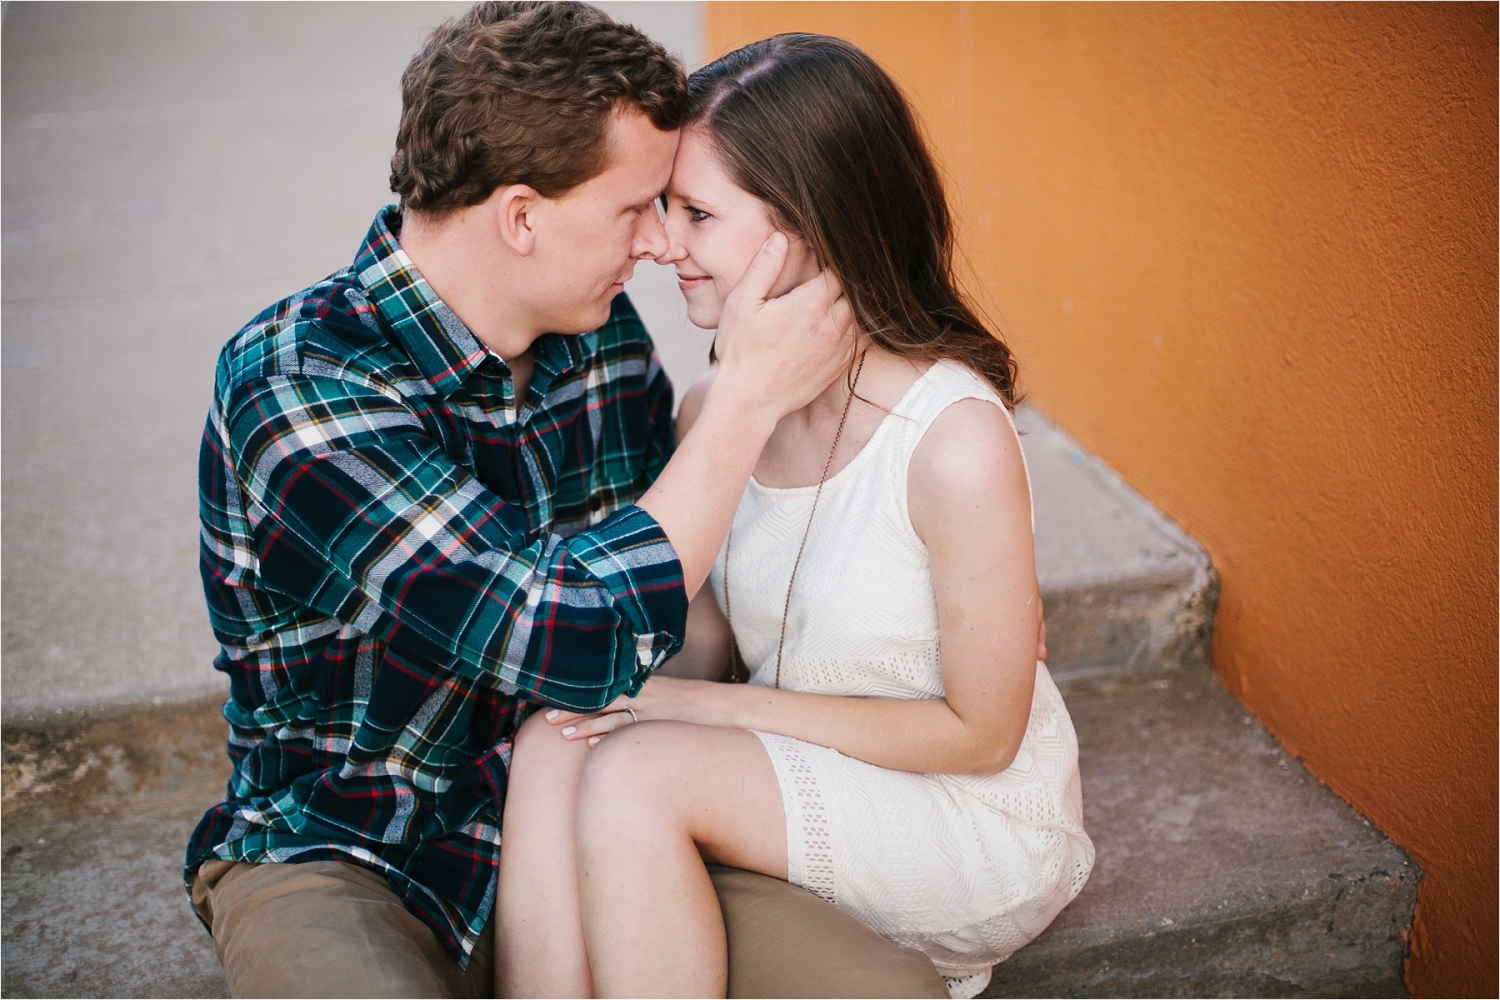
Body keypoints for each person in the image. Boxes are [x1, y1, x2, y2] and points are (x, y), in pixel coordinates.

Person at [182, 5, 950, 997]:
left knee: (884, 991)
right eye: (635, 208)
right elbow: (570, 633)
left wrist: (932, 585)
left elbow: (676, 597)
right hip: (355, 848)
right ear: (521, 216)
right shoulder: (300, 382)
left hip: (603, 805)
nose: (659, 242)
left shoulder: (598, 338)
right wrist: (747, 401)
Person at [498, 33, 1094, 1000]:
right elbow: (702, 639)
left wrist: (708, 708)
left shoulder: (951, 439)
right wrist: (591, 678)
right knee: (554, 742)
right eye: (664, 207)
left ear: (808, 227)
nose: (665, 244)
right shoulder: (717, 412)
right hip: (805, 763)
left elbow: (982, 738)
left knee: (640, 775)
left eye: (698, 214)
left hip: (964, 814)